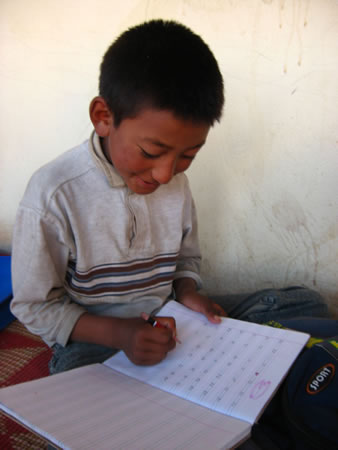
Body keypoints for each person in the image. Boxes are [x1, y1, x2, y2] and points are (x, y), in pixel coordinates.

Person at [10, 19, 226, 374]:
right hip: (92, 339)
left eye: (188, 155)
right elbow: (35, 307)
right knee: (80, 391)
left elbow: (186, 260)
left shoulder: (176, 183)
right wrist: (120, 334)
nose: (166, 174)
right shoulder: (54, 194)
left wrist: (187, 293)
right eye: (151, 151)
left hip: (167, 320)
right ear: (104, 117)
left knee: (296, 303)